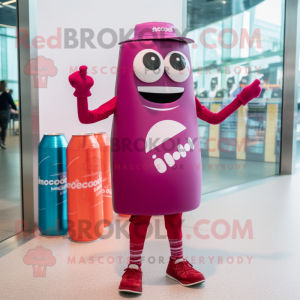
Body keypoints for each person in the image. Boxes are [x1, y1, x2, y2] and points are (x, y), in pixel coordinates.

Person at [68, 22, 261, 295]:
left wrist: (243, 98)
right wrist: (81, 94)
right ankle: (134, 266)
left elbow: (214, 118)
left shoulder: (187, 100)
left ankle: (177, 262)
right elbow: (87, 118)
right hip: (140, 168)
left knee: (174, 211)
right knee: (140, 214)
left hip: (176, 169)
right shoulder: (125, 97)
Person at [0, 81, 17, 149]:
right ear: (5, 86)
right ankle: (2, 142)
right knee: (4, 129)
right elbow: (14, 107)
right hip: (4, 113)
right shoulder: (7, 94)